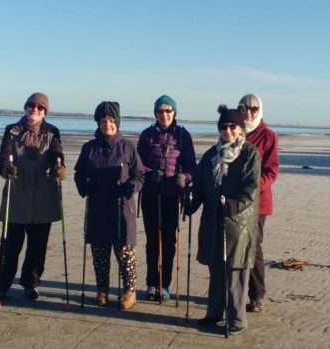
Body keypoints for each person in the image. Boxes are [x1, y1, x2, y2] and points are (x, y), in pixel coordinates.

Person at [185, 105, 259, 335]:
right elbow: (199, 184)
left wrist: (234, 205)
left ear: (240, 129)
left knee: (235, 271)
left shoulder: (249, 153)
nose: (228, 130)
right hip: (213, 220)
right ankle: (214, 313)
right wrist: (189, 202)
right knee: (216, 269)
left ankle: (237, 319)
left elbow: (252, 187)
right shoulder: (210, 154)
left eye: (232, 126)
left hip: (237, 223)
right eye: (224, 126)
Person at [0, 92, 65, 303]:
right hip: (17, 195)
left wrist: (59, 164)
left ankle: (31, 284)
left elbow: (57, 152)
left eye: (40, 108)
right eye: (32, 106)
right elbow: (3, 157)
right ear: (26, 107)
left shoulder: (52, 131)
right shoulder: (12, 131)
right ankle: (0, 286)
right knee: (9, 246)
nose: (35, 110)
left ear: (45, 111)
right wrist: (6, 168)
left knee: (37, 248)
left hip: (43, 197)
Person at [74, 101, 144, 310]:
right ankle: (102, 290)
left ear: (118, 122)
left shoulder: (128, 146)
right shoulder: (89, 148)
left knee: (125, 253)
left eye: (111, 120)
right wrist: (85, 184)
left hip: (122, 208)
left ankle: (130, 292)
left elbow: (139, 174)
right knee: (100, 253)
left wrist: (130, 186)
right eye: (103, 120)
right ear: (98, 122)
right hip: (97, 207)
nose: (107, 124)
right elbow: (79, 174)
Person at [137, 95, 196, 301]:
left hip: (172, 196)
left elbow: (191, 165)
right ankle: (152, 283)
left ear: (174, 113)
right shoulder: (147, 135)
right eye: (160, 111)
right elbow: (137, 164)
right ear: (155, 114)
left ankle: (165, 284)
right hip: (151, 195)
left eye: (168, 111)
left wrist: (185, 177)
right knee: (153, 241)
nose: (164, 115)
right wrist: (149, 173)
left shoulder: (183, 135)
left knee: (169, 242)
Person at [237, 93, 279, 313]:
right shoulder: (233, 130)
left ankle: (257, 295)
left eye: (253, 108)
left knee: (254, 247)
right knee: (234, 246)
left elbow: (272, 171)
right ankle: (234, 293)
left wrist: (254, 186)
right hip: (234, 201)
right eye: (244, 108)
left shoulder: (269, 136)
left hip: (258, 202)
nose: (249, 112)